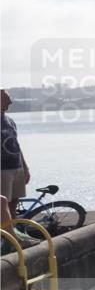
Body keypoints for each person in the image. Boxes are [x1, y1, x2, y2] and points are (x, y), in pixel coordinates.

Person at [1, 89, 30, 222]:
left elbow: (16, 145)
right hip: (2, 170)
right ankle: (7, 237)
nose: (10, 102)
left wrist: (25, 167)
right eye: (6, 99)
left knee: (14, 203)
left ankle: (14, 235)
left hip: (16, 167)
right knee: (3, 205)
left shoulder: (10, 121)